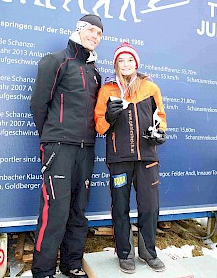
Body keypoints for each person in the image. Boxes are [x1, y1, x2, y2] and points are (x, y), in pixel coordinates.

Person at [30, 14, 104, 278]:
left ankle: (71, 263)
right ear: (79, 30)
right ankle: (43, 271)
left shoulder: (95, 73)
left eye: (99, 34)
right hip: (59, 148)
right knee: (55, 211)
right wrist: (52, 136)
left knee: (78, 210)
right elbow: (38, 104)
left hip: (86, 149)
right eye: (91, 30)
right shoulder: (56, 61)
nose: (94, 36)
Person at [94, 42, 167, 274]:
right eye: (121, 61)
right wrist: (109, 116)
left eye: (130, 60)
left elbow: (161, 117)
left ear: (137, 63)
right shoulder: (107, 90)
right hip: (119, 160)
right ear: (116, 64)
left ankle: (148, 252)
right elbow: (99, 126)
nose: (126, 65)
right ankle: (125, 253)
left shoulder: (151, 88)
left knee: (149, 206)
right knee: (120, 206)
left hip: (147, 158)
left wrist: (160, 132)